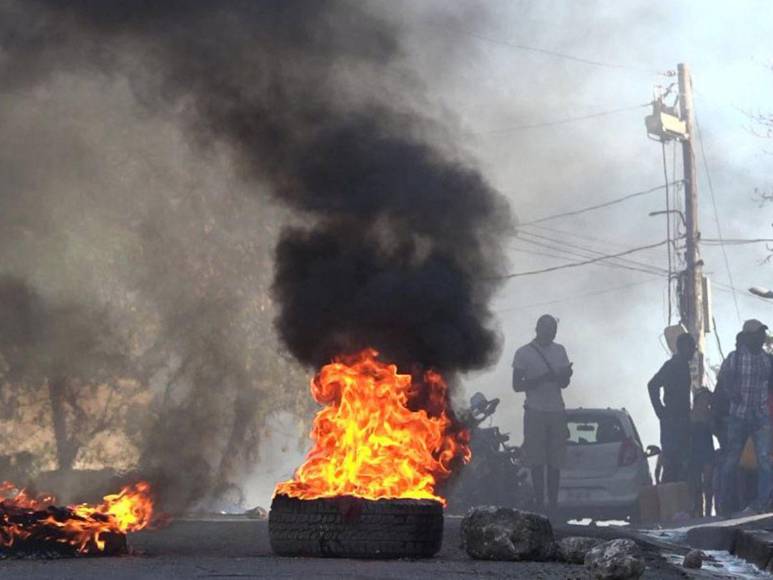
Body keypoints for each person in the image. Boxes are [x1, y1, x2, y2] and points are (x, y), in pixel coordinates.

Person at [512, 314, 572, 513]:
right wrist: (542, 378)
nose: (551, 333)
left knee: (555, 462)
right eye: (548, 329)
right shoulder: (523, 353)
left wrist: (565, 375)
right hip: (535, 410)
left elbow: (564, 383)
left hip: (556, 410)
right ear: (538, 329)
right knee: (536, 461)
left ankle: (552, 505)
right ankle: (540, 504)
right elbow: (517, 385)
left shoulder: (560, 350)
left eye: (553, 330)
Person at [719, 319, 773, 515]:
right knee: (731, 460)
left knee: (765, 460)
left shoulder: (767, 360)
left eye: (762, 334)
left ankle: (761, 503)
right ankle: (725, 504)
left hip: (760, 416)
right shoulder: (734, 358)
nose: (761, 338)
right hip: (738, 416)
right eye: (758, 334)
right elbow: (723, 377)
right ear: (748, 337)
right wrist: (731, 391)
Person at [647, 333, 696, 483]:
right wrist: (661, 411)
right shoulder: (673, 365)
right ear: (683, 347)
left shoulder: (683, 365)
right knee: (672, 463)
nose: (693, 351)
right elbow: (652, 385)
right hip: (673, 421)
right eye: (691, 347)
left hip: (680, 419)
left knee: (682, 464)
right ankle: (669, 493)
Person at [690, 386, 715, 517]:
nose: (706, 402)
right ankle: (698, 512)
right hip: (694, 453)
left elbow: (715, 431)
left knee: (708, 484)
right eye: (704, 399)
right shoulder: (689, 415)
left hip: (707, 452)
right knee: (696, 485)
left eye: (707, 400)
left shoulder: (709, 416)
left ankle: (708, 513)